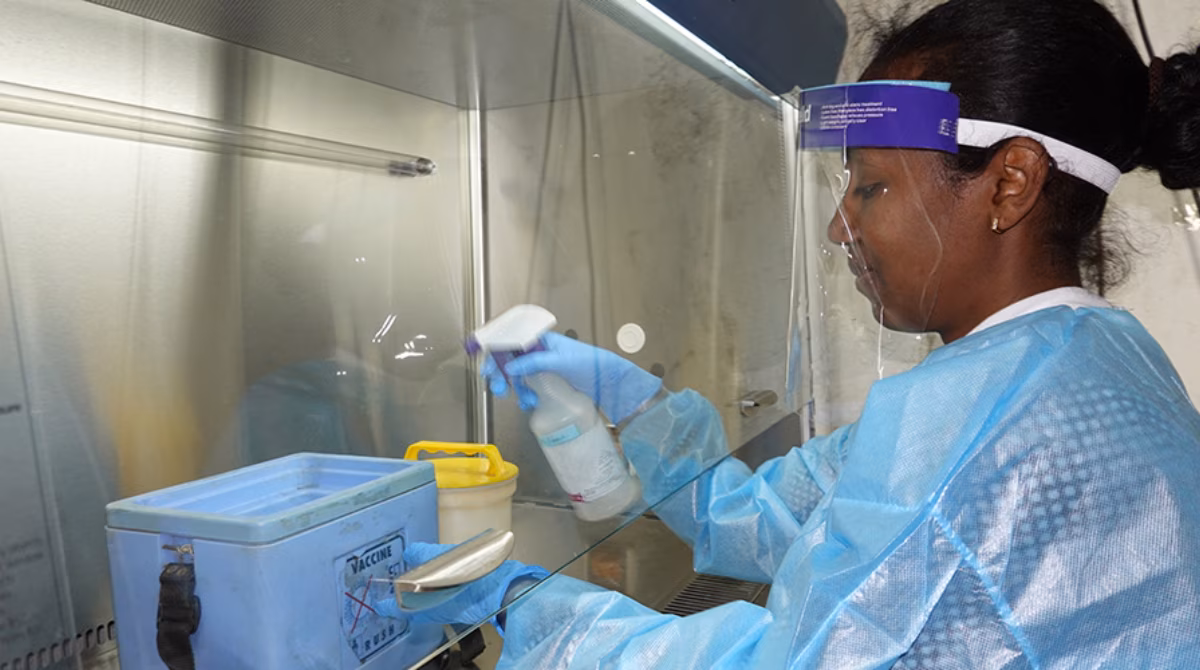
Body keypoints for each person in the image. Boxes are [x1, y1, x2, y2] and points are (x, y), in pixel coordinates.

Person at [398, 0, 1200, 666]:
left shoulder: (987, 430)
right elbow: (761, 518)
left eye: (871, 185)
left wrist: (527, 608)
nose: (838, 226)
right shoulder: (1087, 357)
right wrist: (635, 402)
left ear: (1009, 183)